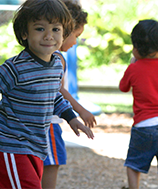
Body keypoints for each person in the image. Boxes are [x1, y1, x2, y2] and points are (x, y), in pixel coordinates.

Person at [0, 0, 94, 188]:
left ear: (64, 32)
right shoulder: (15, 68)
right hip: (10, 146)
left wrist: (70, 117)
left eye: (56, 29)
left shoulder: (56, 65)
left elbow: (53, 95)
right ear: (24, 33)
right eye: (40, 29)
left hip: (35, 147)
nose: (49, 36)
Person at [42, 1, 96, 188]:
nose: (75, 42)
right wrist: (81, 110)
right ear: (64, 31)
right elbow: (59, 90)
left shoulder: (41, 55)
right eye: (76, 35)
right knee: (52, 163)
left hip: (38, 120)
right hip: (48, 123)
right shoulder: (57, 58)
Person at [119, 19, 158, 189]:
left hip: (145, 125)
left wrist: (132, 64)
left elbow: (123, 88)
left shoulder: (134, 68)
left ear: (136, 47)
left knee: (133, 164)